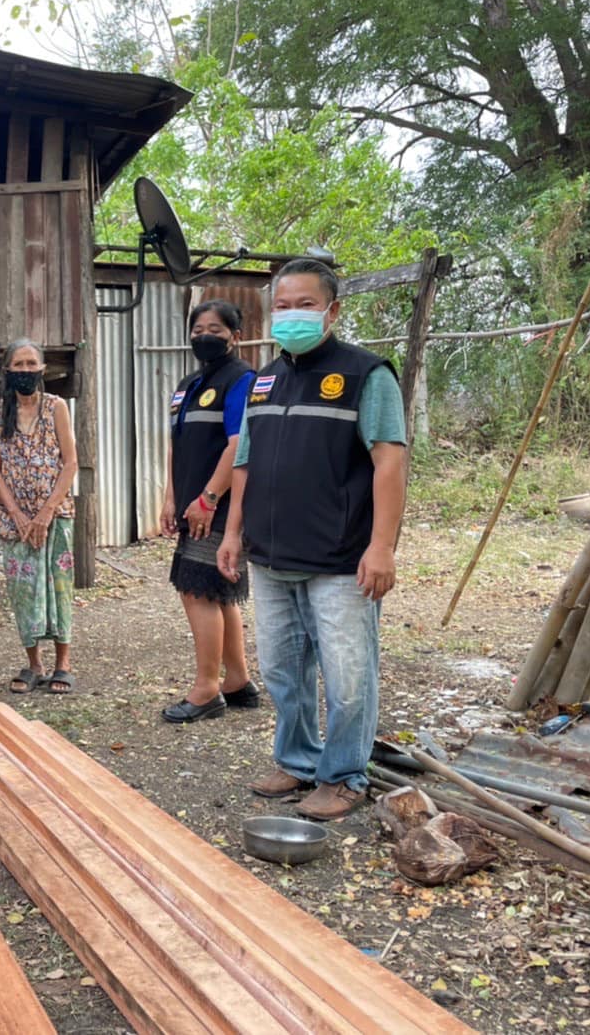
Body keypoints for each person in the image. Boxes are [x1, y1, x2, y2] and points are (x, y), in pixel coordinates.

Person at [217, 258, 408, 821]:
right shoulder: (265, 379)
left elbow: (389, 462)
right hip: (271, 554)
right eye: (283, 305)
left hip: (340, 559)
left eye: (305, 305)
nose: (292, 315)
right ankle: (298, 760)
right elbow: (245, 461)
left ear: (332, 310)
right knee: (281, 670)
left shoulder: (365, 374)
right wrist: (232, 533)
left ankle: (345, 774)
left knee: (348, 678)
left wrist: (382, 546)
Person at [159, 300, 259, 724]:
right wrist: (170, 497)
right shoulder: (188, 384)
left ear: (235, 336)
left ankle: (206, 690)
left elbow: (240, 444)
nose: (205, 335)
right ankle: (237, 680)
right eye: (198, 328)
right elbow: (176, 444)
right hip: (191, 501)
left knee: (197, 589)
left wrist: (209, 497)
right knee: (216, 590)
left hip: (219, 505)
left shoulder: (242, 379)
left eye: (216, 329)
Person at [0, 339, 78, 694]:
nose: (25, 370)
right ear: (8, 370)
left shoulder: (56, 407)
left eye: (31, 364)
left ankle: (63, 664)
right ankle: (34, 664)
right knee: (23, 591)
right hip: (14, 521)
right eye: (19, 365)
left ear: (42, 369)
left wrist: (44, 514)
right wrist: (19, 516)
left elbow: (70, 463)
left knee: (59, 587)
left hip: (55, 516)